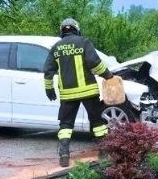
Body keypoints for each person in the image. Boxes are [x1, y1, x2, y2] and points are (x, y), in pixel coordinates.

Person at [43, 18, 115, 167]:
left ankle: (64, 155)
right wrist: (108, 75)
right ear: (76, 28)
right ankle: (104, 153)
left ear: (62, 30)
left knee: (66, 124)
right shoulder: (84, 42)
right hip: (88, 91)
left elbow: (48, 71)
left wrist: (49, 88)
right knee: (97, 122)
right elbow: (95, 63)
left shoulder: (56, 47)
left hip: (68, 94)